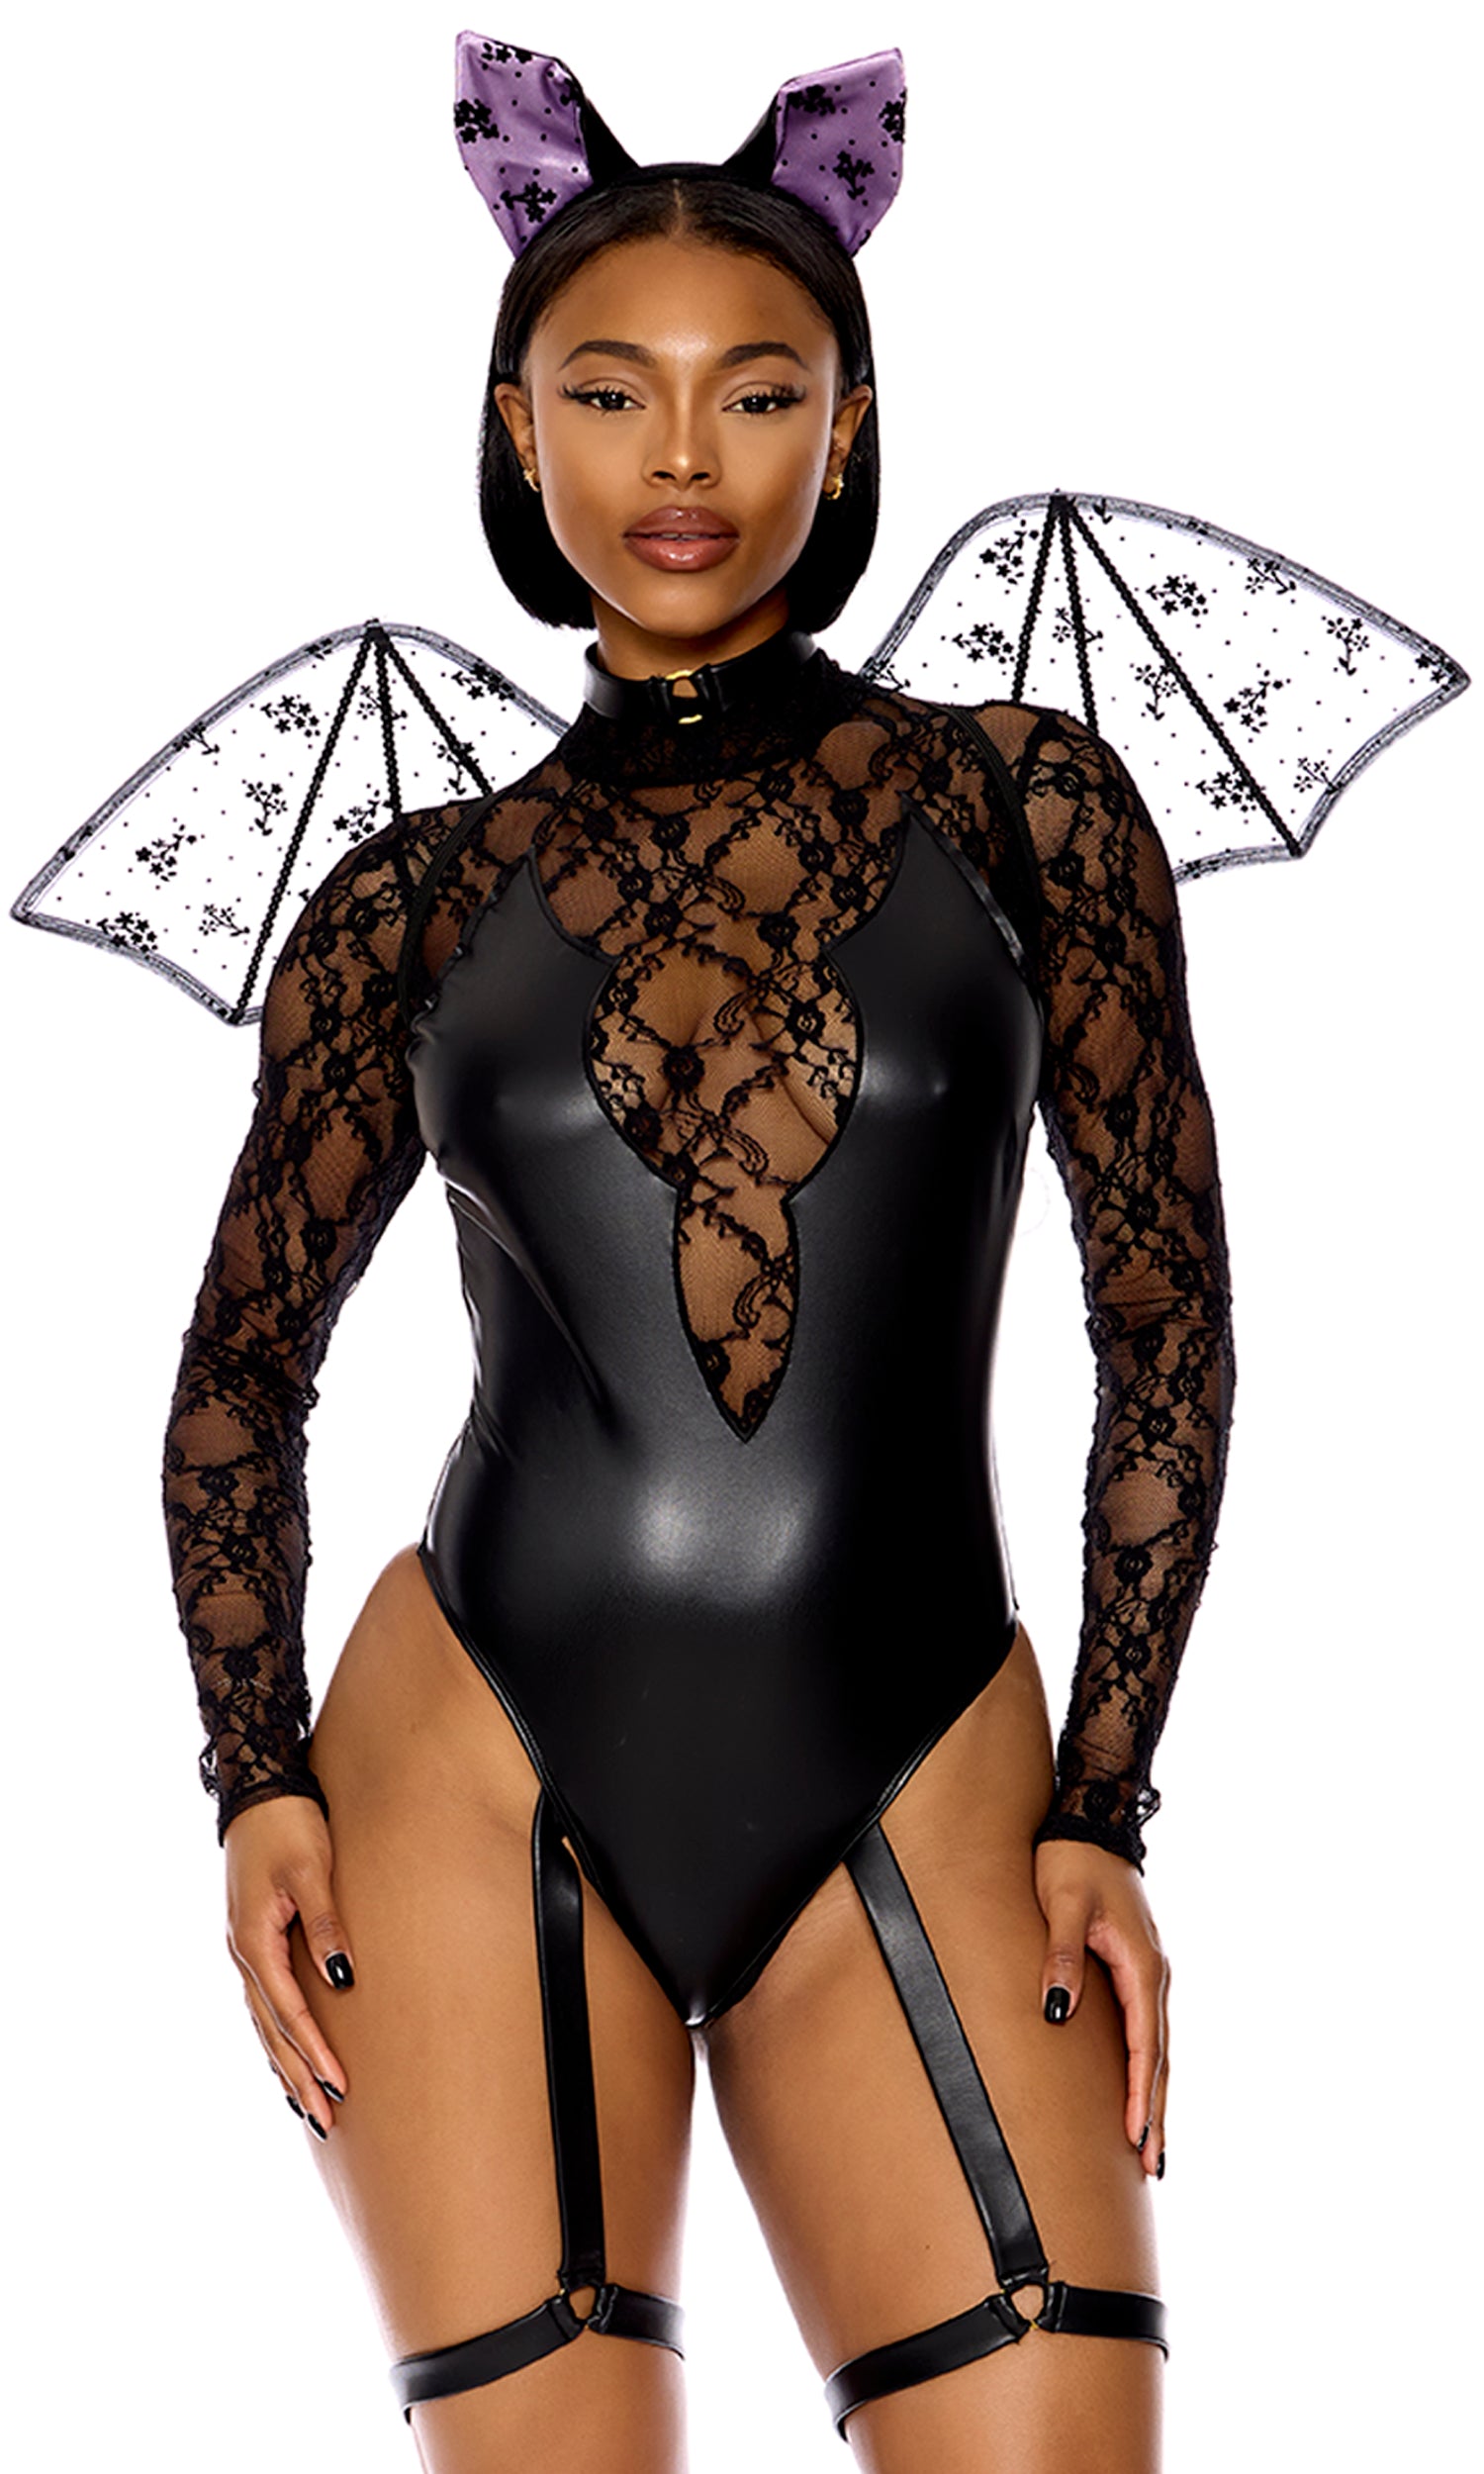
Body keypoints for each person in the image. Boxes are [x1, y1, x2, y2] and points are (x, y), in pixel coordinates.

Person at [159, 41, 1232, 2474]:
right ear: (514, 428)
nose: (680, 457)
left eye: (756, 390)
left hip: (928, 1756)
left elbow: (1162, 1309)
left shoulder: (1026, 808)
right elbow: (240, 1370)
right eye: (606, 391)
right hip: (476, 1769)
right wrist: (252, 1776)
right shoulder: (410, 903)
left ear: (843, 434)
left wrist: (1106, 1794)